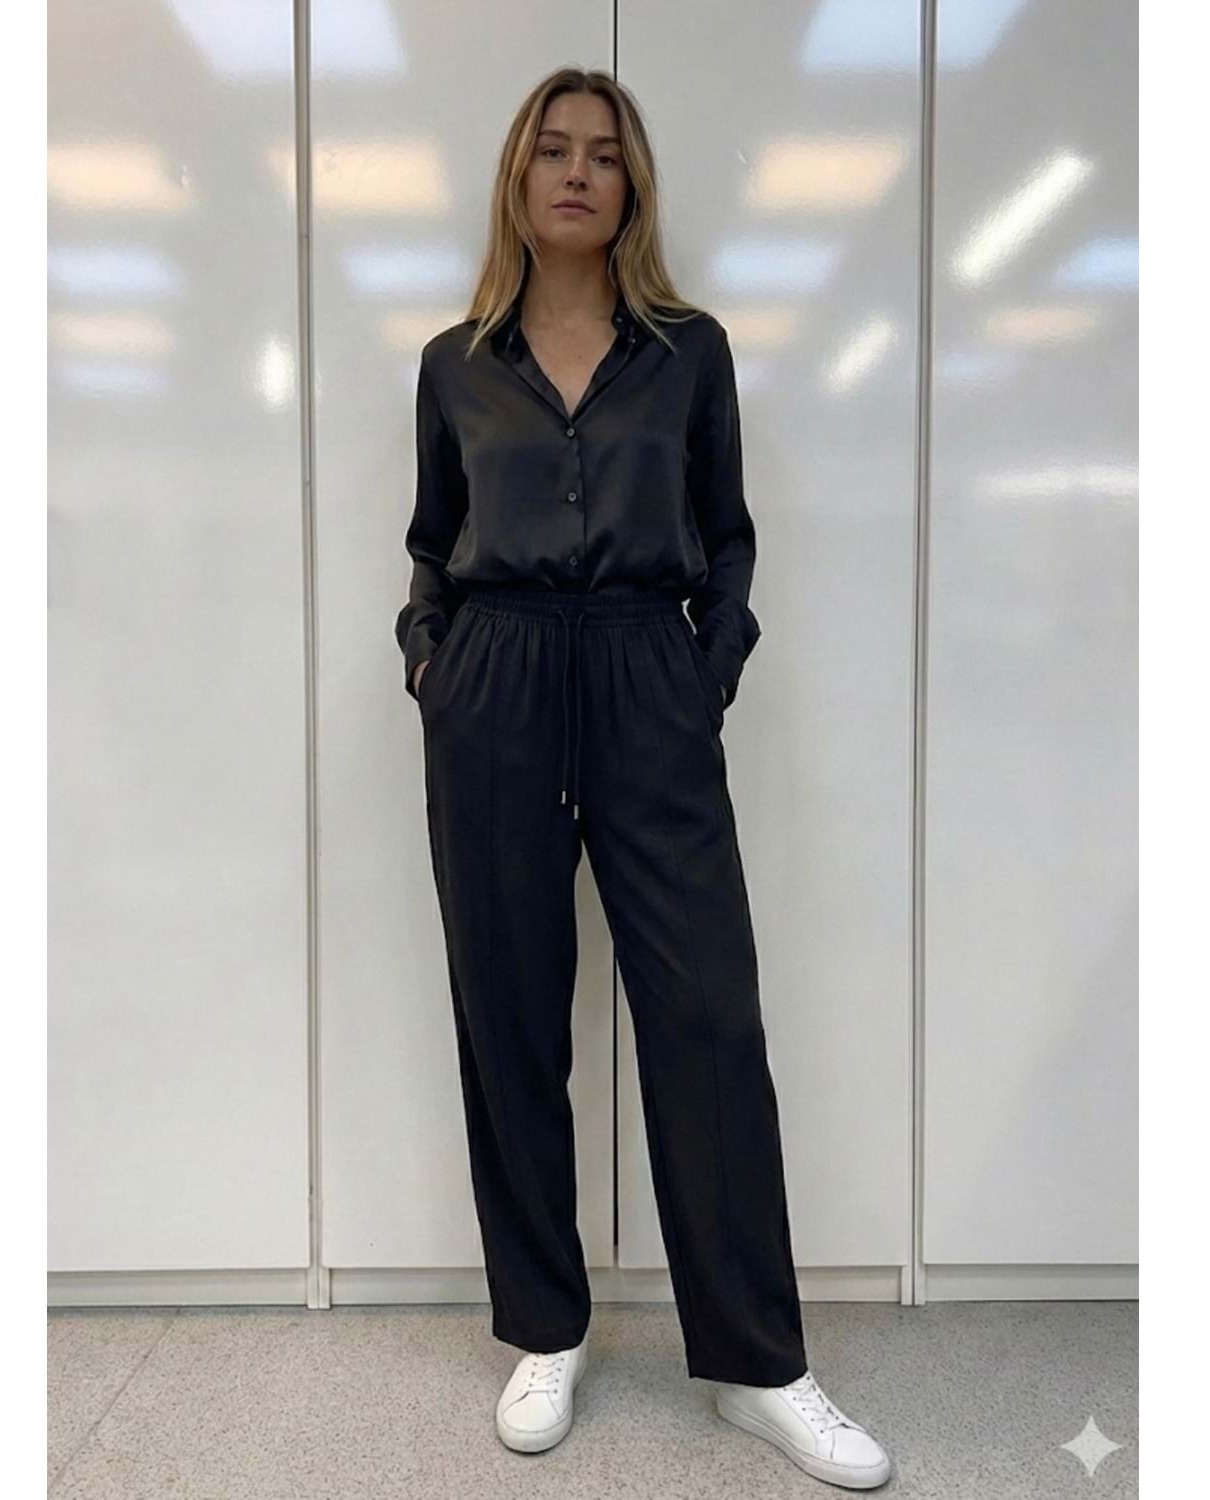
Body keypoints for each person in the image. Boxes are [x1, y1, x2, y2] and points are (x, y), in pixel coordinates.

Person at [393, 68, 892, 1491]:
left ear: (632, 187)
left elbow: (726, 534)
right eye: (552, 150)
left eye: (603, 155)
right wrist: (433, 660)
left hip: (642, 675)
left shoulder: (688, 353)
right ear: (516, 177)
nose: (576, 172)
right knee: (509, 1012)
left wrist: (701, 668)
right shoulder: (454, 362)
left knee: (707, 1016)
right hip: (494, 681)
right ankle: (546, 1330)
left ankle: (758, 1364)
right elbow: (429, 539)